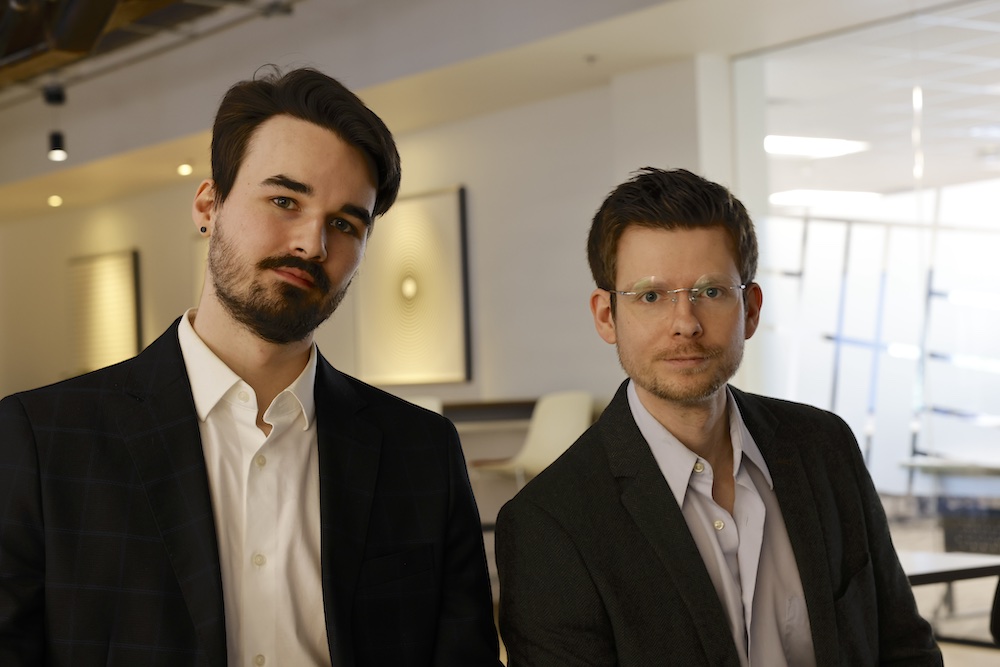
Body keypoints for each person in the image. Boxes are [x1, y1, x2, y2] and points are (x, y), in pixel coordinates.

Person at [0, 67, 501, 667]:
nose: (312, 243)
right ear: (209, 205)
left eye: (345, 223)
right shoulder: (42, 439)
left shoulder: (421, 452)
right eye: (284, 200)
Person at [495, 167, 942, 666]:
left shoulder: (825, 446)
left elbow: (905, 646)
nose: (685, 323)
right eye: (650, 296)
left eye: (710, 292)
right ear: (606, 316)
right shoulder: (550, 524)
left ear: (750, 309)